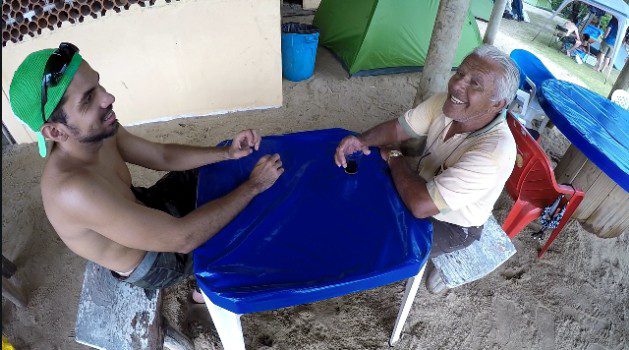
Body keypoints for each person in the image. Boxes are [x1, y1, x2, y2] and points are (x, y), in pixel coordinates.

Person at [8, 43, 284, 300]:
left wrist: (225, 153)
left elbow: (161, 155)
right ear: (55, 131)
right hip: (155, 261)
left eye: (98, 84)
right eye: (89, 98)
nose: (108, 97)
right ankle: (204, 292)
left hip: (145, 207)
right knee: (248, 221)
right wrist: (254, 186)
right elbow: (182, 238)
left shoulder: (98, 132)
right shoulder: (72, 191)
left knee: (220, 173)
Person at [333, 45, 518, 293]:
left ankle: (446, 268)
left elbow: (421, 205)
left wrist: (395, 157)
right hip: (424, 182)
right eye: (460, 73)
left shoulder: (493, 153)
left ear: (498, 104)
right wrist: (361, 140)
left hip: (454, 224)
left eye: (475, 83)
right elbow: (400, 129)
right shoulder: (448, 103)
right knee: (363, 199)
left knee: (377, 239)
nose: (457, 85)